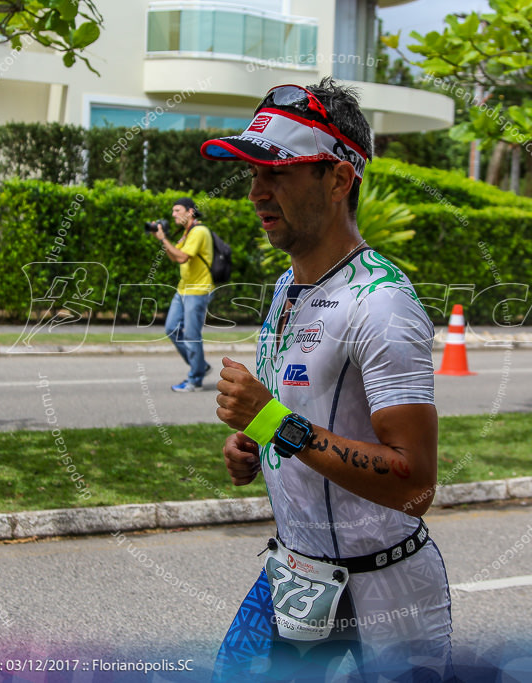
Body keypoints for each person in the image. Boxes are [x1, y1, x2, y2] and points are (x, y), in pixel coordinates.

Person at [201, 79, 453, 681]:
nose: (257, 192)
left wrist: (270, 423)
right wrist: (258, 446)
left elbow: (414, 487)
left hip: (386, 596)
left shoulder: (382, 304)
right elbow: (307, 419)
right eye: (252, 173)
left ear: (339, 179)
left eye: (278, 173)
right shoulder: (290, 286)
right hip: (294, 576)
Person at [154, 197, 214, 392]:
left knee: (191, 335)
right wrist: (163, 240)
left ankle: (195, 380)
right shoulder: (186, 233)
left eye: (177, 210)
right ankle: (200, 366)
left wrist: (163, 238)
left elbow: (182, 256)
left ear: (190, 212)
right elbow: (174, 256)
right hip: (183, 289)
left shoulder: (199, 231)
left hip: (198, 291)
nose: (173, 215)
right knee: (171, 328)